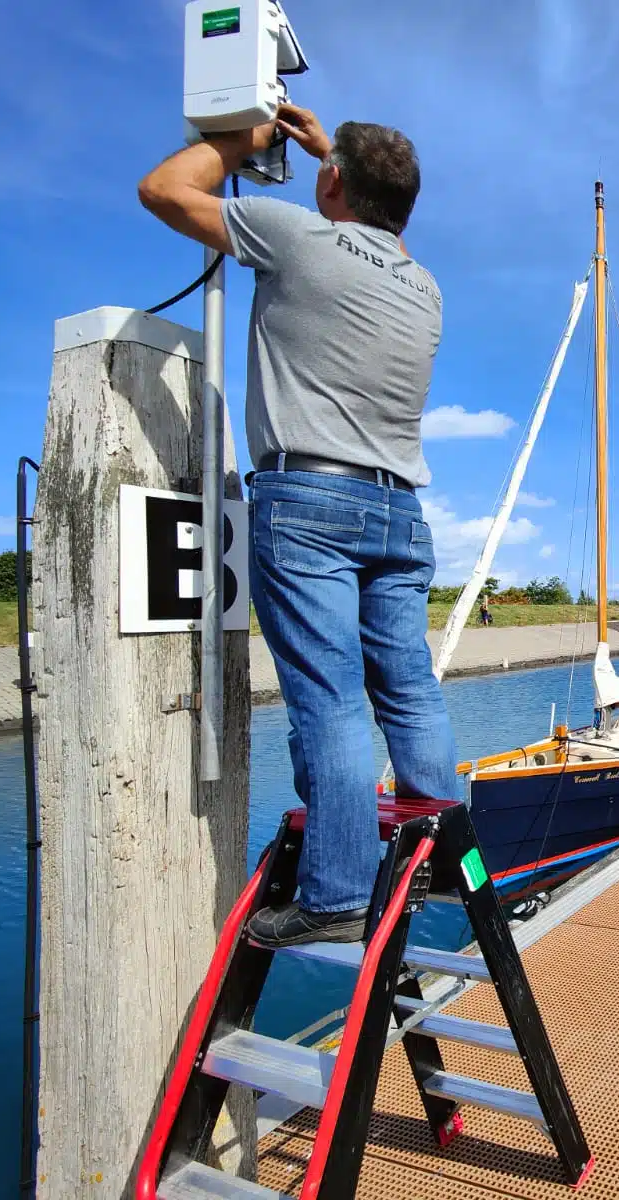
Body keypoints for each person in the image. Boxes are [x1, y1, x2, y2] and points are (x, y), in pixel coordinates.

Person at [138, 105, 457, 947]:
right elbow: (376, 227)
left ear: (332, 185)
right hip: (400, 509)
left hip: (309, 498)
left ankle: (337, 895)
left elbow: (162, 191)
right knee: (408, 687)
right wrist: (333, 160)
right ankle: (442, 852)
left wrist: (240, 145)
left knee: (330, 697)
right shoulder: (423, 286)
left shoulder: (297, 238)